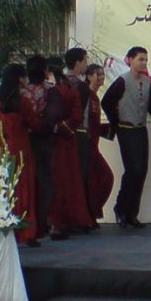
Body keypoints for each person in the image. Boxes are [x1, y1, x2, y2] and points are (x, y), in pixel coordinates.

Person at [101, 46, 151, 228]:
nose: (144, 63)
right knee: (133, 170)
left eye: (146, 59)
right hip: (126, 129)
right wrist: (116, 120)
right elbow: (106, 102)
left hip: (140, 129)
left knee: (142, 171)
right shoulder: (122, 81)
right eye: (140, 59)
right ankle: (121, 209)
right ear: (130, 60)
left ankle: (131, 214)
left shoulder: (147, 82)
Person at [0, 64, 41, 246]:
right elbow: (35, 124)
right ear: (19, 78)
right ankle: (26, 232)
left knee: (2, 190)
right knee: (23, 190)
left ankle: (2, 229)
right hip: (20, 149)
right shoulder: (23, 102)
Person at [46, 57, 95, 234]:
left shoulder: (66, 90)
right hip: (60, 140)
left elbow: (76, 117)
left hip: (59, 140)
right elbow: (76, 116)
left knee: (61, 180)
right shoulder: (68, 89)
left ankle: (58, 221)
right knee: (62, 180)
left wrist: (56, 128)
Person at [25, 55, 63, 239]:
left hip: (23, 138)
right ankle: (45, 221)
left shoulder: (21, 91)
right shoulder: (50, 90)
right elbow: (55, 115)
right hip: (42, 139)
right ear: (45, 71)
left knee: (27, 180)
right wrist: (41, 126)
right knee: (45, 179)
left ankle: (28, 223)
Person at [85, 64, 114, 226]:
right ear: (89, 76)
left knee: (101, 180)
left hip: (94, 146)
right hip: (87, 146)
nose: (102, 77)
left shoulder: (95, 98)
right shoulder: (86, 96)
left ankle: (92, 213)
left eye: (103, 74)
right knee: (104, 177)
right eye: (98, 74)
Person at [65, 47, 90, 194]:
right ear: (77, 63)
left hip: (61, 131)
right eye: (85, 61)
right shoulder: (81, 86)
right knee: (80, 173)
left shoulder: (60, 82)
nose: (86, 64)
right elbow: (79, 112)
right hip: (78, 132)